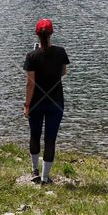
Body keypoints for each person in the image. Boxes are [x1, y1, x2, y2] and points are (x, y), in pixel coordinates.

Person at [23, 18, 69, 184]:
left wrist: (27, 105)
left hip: (36, 103)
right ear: (51, 34)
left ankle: (34, 170)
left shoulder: (31, 56)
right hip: (56, 103)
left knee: (35, 135)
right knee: (50, 139)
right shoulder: (61, 52)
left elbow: (30, 84)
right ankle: (44, 177)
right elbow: (63, 72)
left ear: (36, 34)